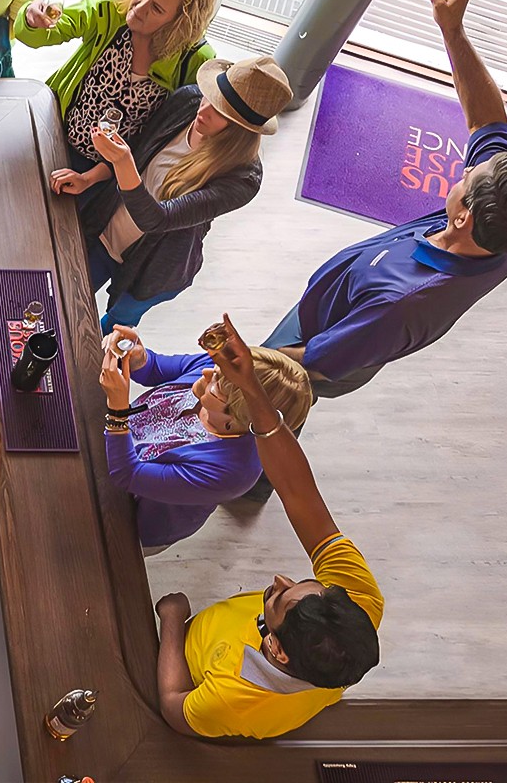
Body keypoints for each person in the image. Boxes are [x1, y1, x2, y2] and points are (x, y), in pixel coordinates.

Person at [266, 0, 507, 398]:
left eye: (468, 176)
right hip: (331, 312)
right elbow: (487, 121)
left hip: (310, 352)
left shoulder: (401, 305)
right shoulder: (500, 220)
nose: (468, 165)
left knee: (270, 406)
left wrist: (231, 360)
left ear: (463, 219)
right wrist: (452, 30)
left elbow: (317, 362)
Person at [156, 315, 382, 740]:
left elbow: (173, 707)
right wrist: (254, 393)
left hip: (186, 647)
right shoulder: (359, 600)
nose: (280, 578)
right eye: (307, 582)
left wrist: (172, 621)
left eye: (280, 598)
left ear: (274, 649)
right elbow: (299, 494)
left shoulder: (236, 699)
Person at [57, 56, 288, 331]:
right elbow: (139, 149)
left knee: (116, 328)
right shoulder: (188, 102)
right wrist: (88, 177)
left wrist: (122, 163)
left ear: (242, 129)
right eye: (209, 97)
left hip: (154, 268)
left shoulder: (243, 178)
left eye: (221, 112)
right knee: (62, 302)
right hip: (106, 230)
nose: (204, 111)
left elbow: (157, 219)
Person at [98, 324, 311, 554]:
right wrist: (139, 357)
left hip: (130, 520)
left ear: (237, 418)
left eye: (218, 385)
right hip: (105, 451)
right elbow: (156, 368)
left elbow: (127, 474)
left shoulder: (232, 473)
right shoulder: (215, 371)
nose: (207, 373)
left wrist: (118, 410)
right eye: (219, 370)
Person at [17, 0, 218, 172]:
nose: (139, 8)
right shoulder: (113, 10)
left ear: (178, 22)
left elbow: (178, 132)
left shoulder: (196, 60)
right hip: (55, 133)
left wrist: (101, 174)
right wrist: (31, 19)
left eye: (157, 8)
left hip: (114, 174)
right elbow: (43, 33)